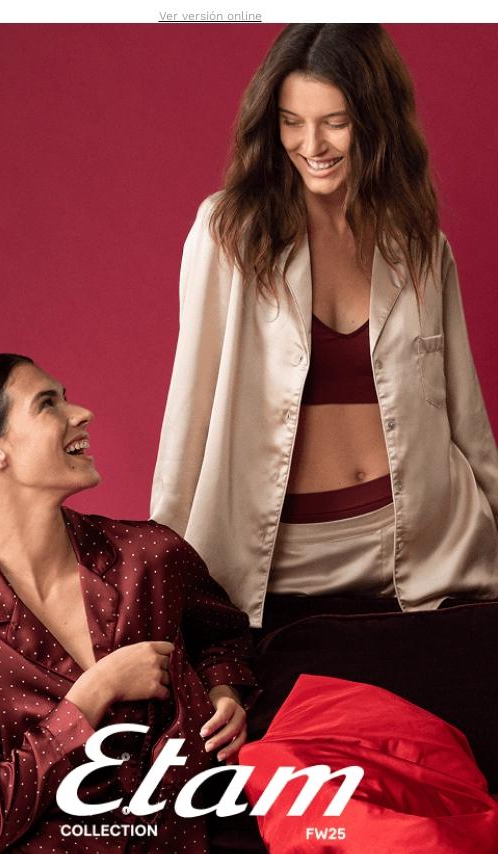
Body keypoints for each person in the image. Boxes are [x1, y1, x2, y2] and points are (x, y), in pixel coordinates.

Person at [150, 23, 498, 632]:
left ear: (378, 122)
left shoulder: (418, 243)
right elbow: (191, 404)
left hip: (429, 552)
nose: (311, 144)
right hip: (281, 566)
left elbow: (463, 411)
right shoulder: (230, 233)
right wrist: (160, 568)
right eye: (292, 122)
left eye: (336, 122)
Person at [0, 353, 258, 853]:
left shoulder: (151, 555)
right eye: (47, 404)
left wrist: (225, 692)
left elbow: (224, 637)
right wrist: (95, 692)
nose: (82, 413)